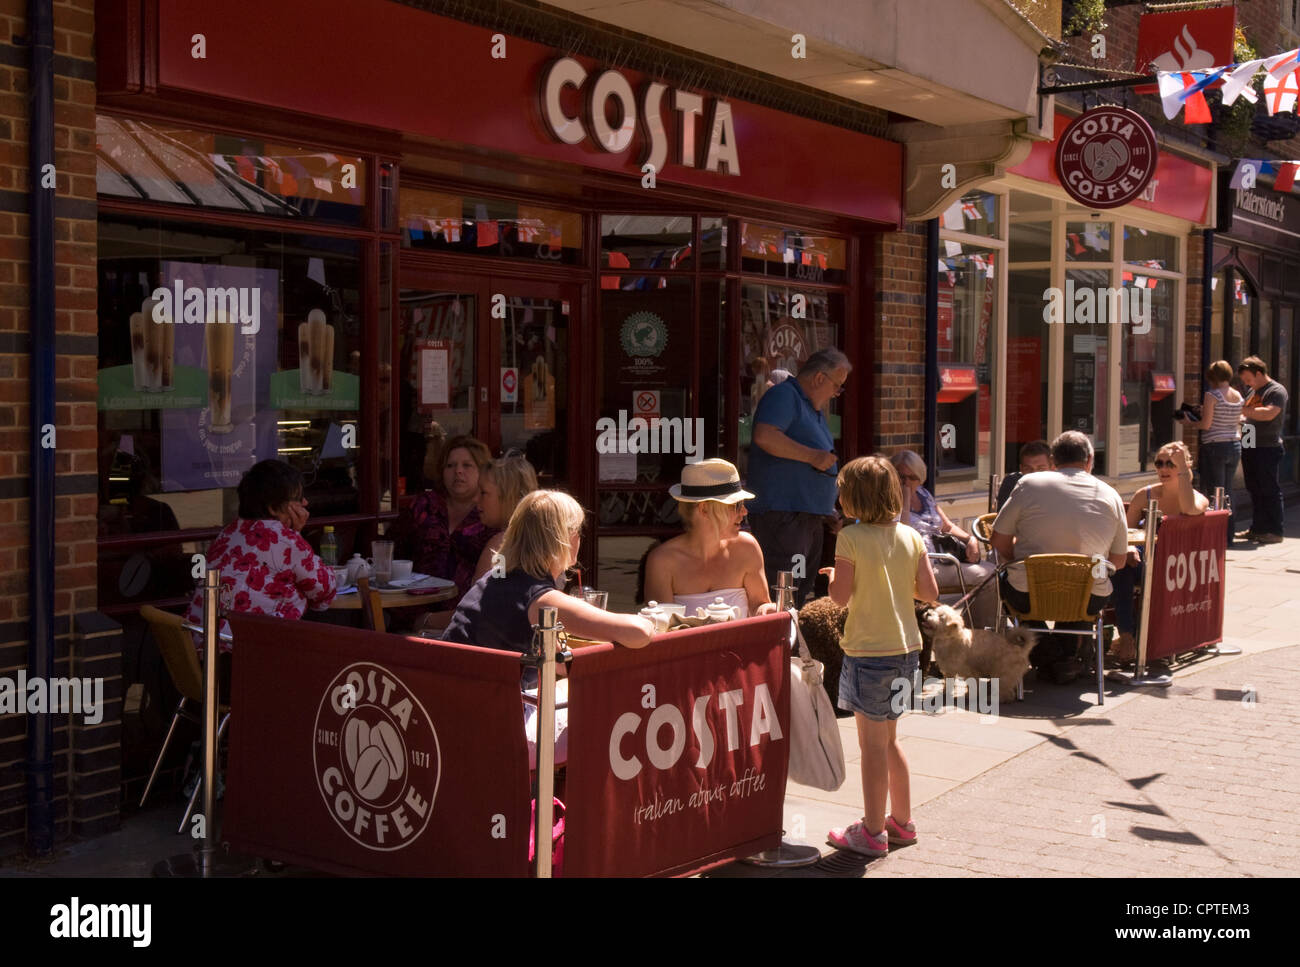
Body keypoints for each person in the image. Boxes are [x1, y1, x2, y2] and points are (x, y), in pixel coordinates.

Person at [442, 491, 657, 766]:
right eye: (577, 531)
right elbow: (638, 633)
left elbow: (554, 662)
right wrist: (653, 620)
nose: (580, 538)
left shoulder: (493, 579)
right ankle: (587, 806)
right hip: (492, 733)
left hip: (454, 714)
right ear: (564, 538)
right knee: (614, 713)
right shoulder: (539, 597)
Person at [819, 455, 939, 857]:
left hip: (869, 653)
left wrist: (835, 576)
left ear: (852, 500)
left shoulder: (850, 538)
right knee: (890, 741)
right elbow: (930, 592)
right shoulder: (910, 536)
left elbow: (838, 598)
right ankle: (901, 822)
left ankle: (871, 832)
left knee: (870, 747)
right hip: (907, 651)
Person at [183, 460, 337, 691]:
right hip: (243, 668)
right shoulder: (284, 539)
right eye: (297, 498)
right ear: (274, 508)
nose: (305, 503)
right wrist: (294, 535)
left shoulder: (229, 532)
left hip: (198, 666)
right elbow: (326, 593)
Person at [990, 431, 1128, 684]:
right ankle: (1065, 659)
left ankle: (1052, 657)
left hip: (1029, 592)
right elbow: (1118, 561)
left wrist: (1017, 561)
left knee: (1012, 590)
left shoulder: (1028, 485)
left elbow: (998, 540)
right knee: (1084, 592)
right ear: (1090, 460)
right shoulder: (1111, 495)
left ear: (1053, 460)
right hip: (1087, 596)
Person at [747, 347, 850, 604]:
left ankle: (791, 643)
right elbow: (765, 435)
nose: (836, 393)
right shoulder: (784, 396)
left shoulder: (811, 407)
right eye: (837, 386)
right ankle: (781, 642)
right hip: (784, 518)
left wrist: (828, 508)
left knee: (799, 592)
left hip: (806, 519)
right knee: (784, 592)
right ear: (819, 378)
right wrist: (814, 456)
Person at [1109, 441, 1209, 659]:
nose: (1163, 469)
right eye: (1159, 463)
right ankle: (1127, 636)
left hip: (1179, 567)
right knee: (1122, 564)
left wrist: (1182, 466)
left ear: (1185, 465)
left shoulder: (1197, 498)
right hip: (1144, 561)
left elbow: (1189, 508)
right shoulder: (1144, 495)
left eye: (1170, 464)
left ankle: (1131, 636)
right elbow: (1124, 534)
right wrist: (1128, 549)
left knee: (1127, 568)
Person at [644, 459, 779, 618]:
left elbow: (759, 604)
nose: (744, 512)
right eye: (735, 505)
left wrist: (768, 609)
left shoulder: (747, 547)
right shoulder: (663, 561)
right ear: (704, 509)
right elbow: (662, 629)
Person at [890, 450, 997, 643]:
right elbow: (901, 535)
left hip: (944, 559)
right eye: (900, 476)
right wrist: (905, 500)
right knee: (986, 577)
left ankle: (976, 637)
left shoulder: (924, 494)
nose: (905, 482)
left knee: (991, 572)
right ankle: (974, 639)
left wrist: (969, 539)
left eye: (911, 477)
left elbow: (947, 525)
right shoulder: (890, 500)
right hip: (921, 565)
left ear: (920, 478)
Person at [390, 434, 497, 595]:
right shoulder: (424, 505)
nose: (458, 471)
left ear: (482, 471)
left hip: (465, 610)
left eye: (467, 465)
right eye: (450, 465)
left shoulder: (490, 512)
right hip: (413, 604)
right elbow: (392, 551)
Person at [1181, 360, 1243, 543]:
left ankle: (1215, 536)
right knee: (1228, 491)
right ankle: (1228, 534)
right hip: (1234, 445)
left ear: (1212, 377)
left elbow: (1206, 425)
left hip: (1215, 446)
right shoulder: (1238, 395)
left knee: (1214, 491)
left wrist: (1188, 422)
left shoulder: (1212, 395)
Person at [1237, 356, 1289, 544]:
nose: (1246, 383)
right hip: (1250, 443)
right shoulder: (1253, 391)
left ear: (1259, 373)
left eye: (1248, 379)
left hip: (1267, 446)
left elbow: (1269, 414)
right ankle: (1257, 528)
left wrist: (1243, 411)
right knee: (1253, 488)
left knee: (1269, 489)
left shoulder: (1276, 391)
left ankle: (1275, 531)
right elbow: (1249, 418)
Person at [471, 453, 539, 583]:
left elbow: (485, 598)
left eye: (483, 492)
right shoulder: (543, 542)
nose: (476, 499)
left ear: (509, 496)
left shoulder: (502, 547)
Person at [995, 440, 1052, 511]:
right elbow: (1002, 518)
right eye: (1028, 469)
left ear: (1052, 467)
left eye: (1041, 468)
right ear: (1021, 469)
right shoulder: (1011, 483)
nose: (1034, 473)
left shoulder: (1061, 487)